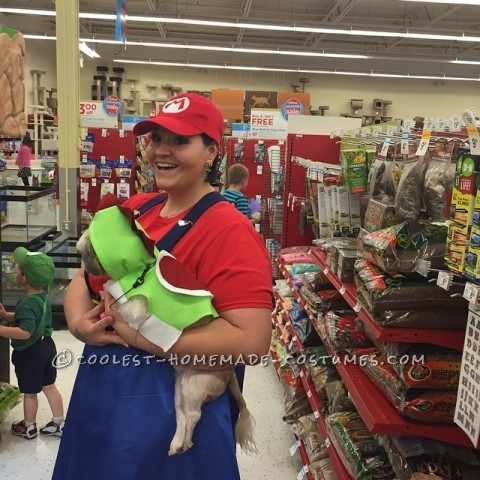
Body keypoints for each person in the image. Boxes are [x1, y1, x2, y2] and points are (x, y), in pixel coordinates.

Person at [53, 92, 273, 480]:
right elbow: (86, 277)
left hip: (173, 418)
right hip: (102, 401)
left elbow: (252, 342)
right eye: (155, 138)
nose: (161, 150)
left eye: (180, 140)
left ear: (211, 153)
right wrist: (76, 323)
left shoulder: (229, 230)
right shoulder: (138, 208)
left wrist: (140, 339)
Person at [0, 247, 65, 440]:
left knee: (29, 392)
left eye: (19, 270)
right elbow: (33, 320)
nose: (17, 272)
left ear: (24, 278)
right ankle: (59, 423)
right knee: (49, 386)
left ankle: (28, 427)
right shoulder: (41, 296)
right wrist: (6, 316)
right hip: (47, 346)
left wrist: (2, 330)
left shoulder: (28, 302)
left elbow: (25, 332)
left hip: (31, 352)